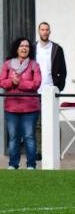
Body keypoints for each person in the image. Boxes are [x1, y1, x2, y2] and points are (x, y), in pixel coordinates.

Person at [1, 37, 42, 170]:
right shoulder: (7, 64)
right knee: (13, 137)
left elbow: (36, 83)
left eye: (27, 46)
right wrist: (11, 82)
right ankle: (13, 164)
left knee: (29, 136)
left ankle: (31, 165)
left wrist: (20, 83)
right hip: (11, 108)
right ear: (16, 48)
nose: (24, 48)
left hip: (30, 108)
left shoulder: (34, 65)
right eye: (21, 46)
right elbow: (2, 82)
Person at [35, 21, 68, 160]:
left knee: (54, 122)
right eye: (42, 29)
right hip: (35, 91)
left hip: (51, 90)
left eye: (47, 29)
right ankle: (39, 151)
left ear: (50, 31)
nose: (45, 32)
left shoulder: (56, 49)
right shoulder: (33, 48)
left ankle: (56, 151)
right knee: (37, 124)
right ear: (39, 31)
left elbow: (63, 71)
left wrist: (58, 87)